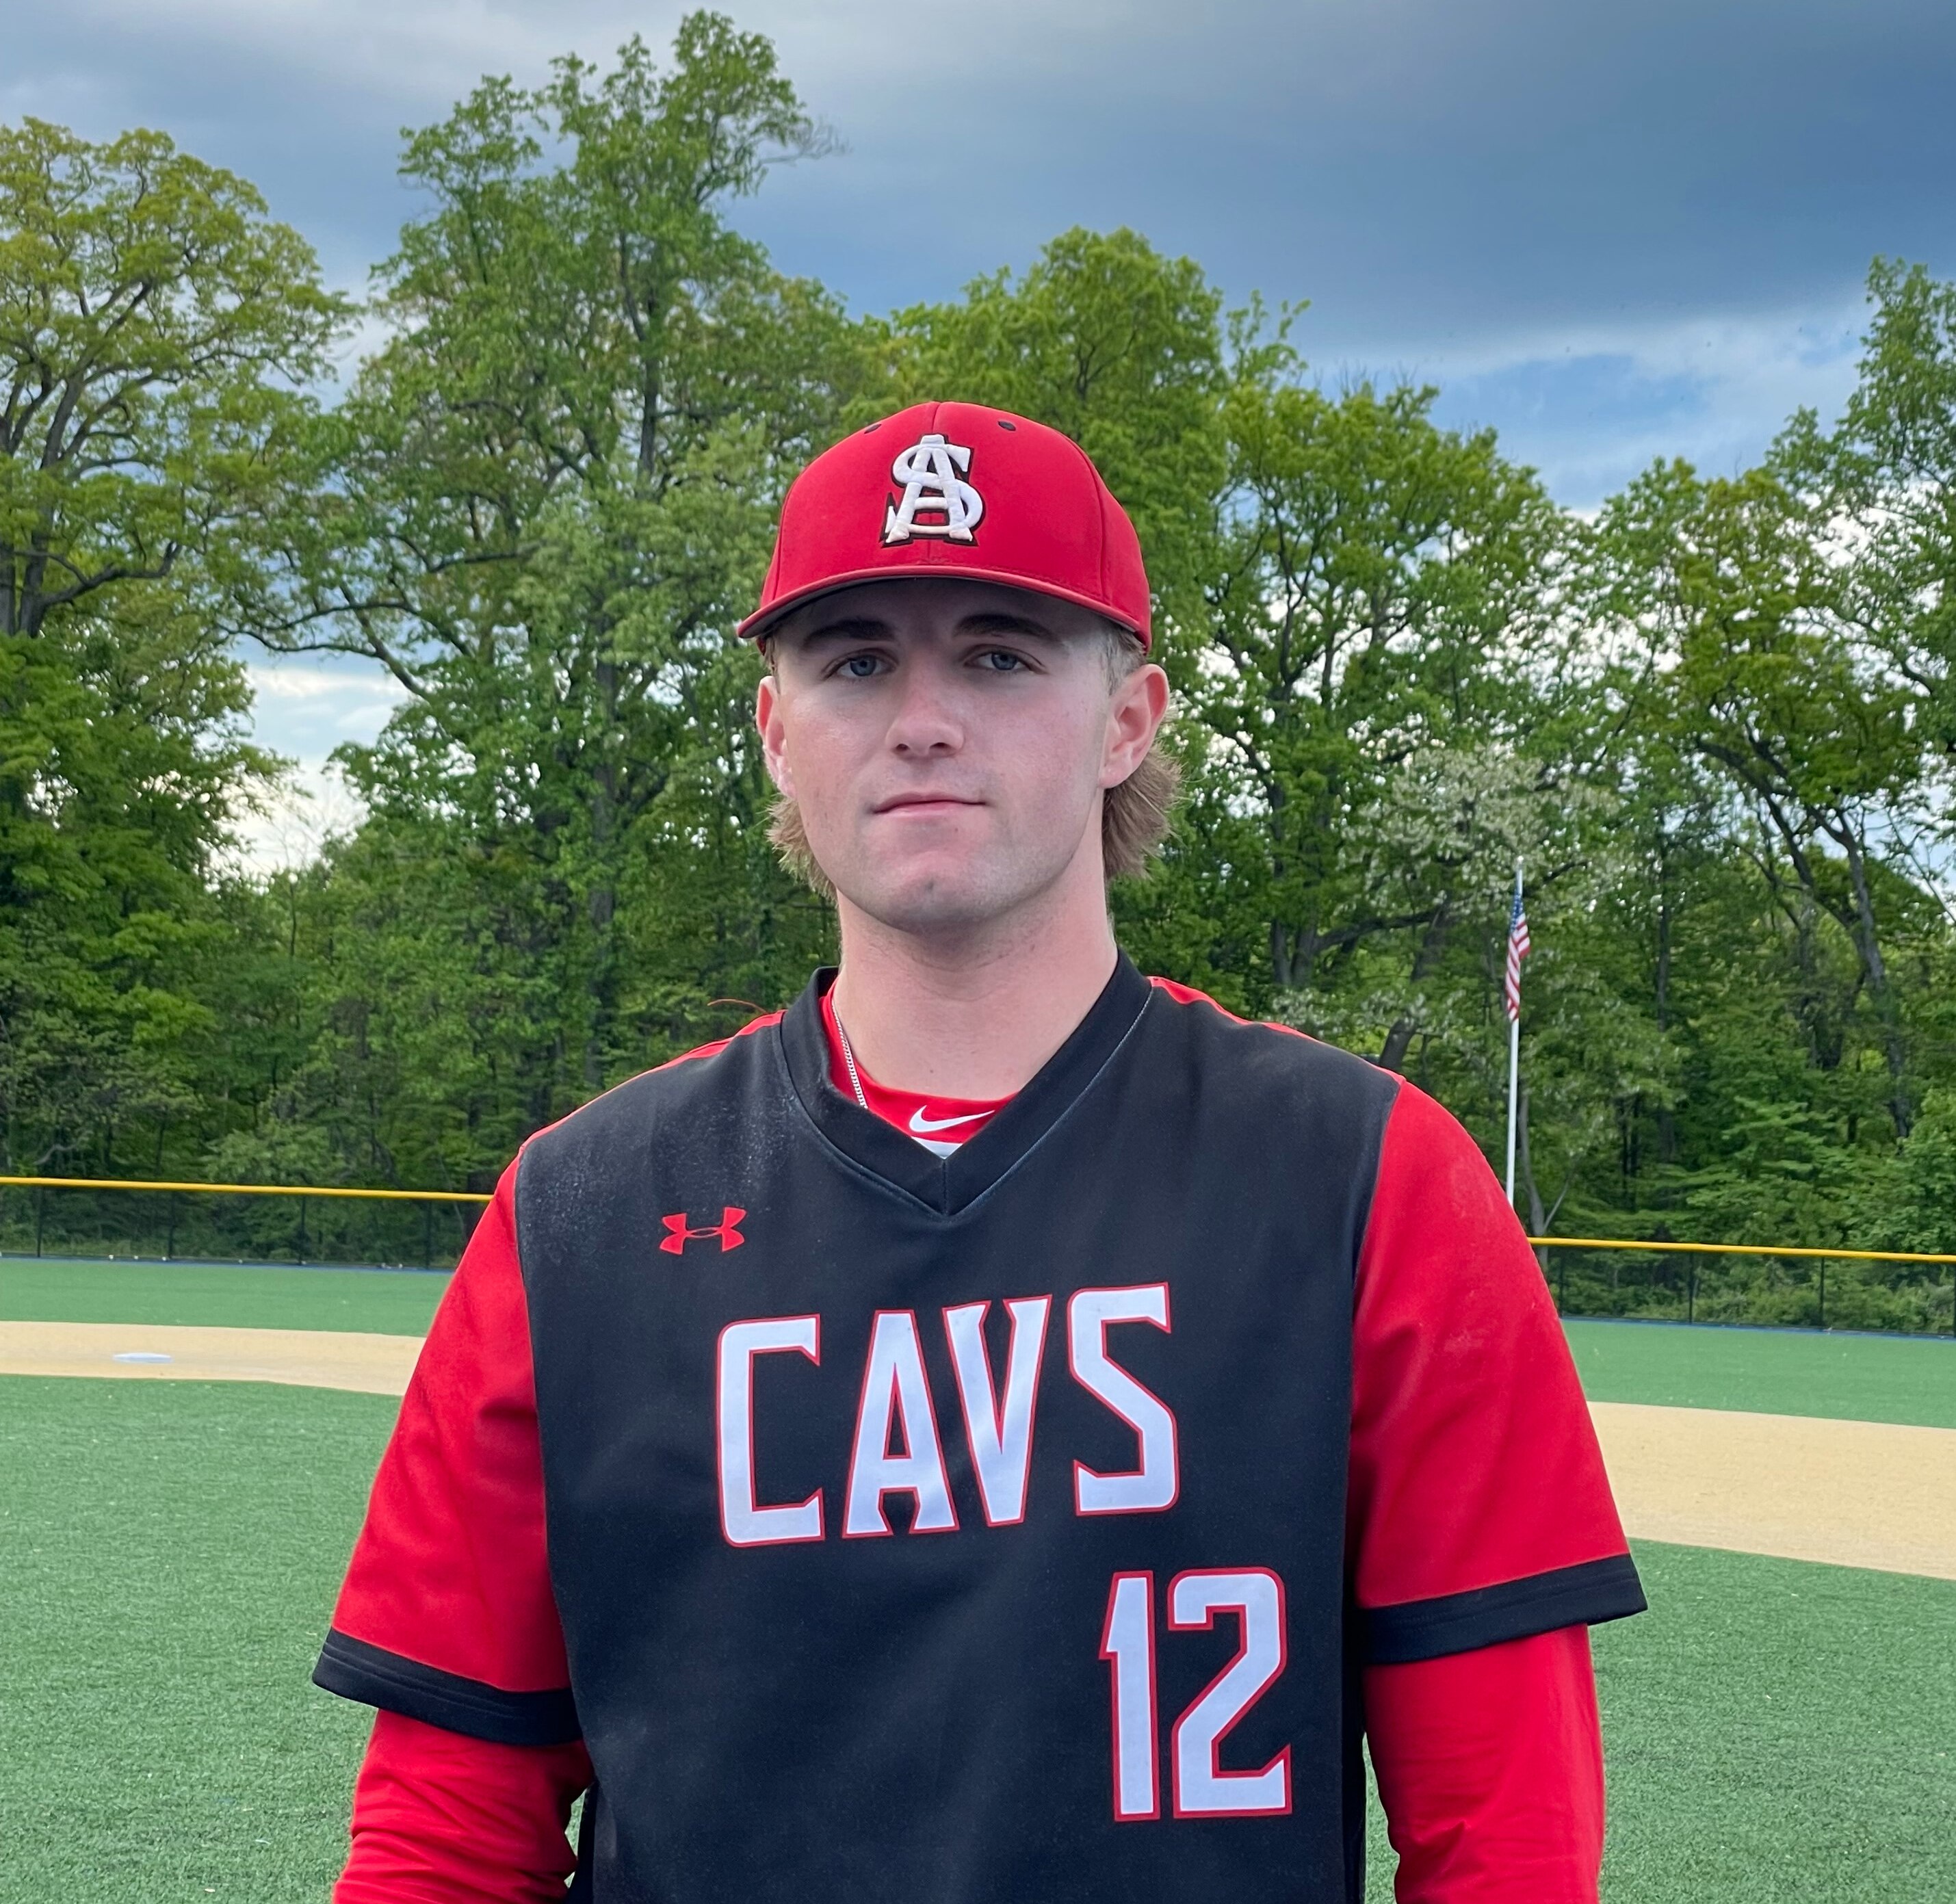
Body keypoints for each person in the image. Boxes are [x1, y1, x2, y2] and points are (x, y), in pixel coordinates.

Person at [315, 402, 1645, 1903]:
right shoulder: (585, 1210)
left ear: (1127, 719)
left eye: (999, 652)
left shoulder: (1364, 1178)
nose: (921, 715)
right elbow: (447, 1823)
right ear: (773, 730)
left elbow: (1505, 1835)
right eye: (855, 659)